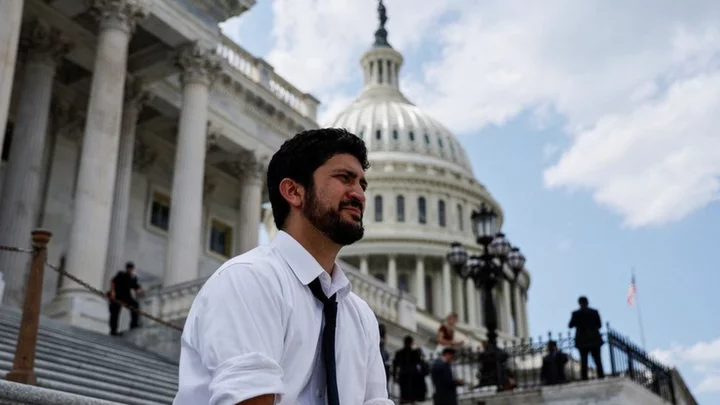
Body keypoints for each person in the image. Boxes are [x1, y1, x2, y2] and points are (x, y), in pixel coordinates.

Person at [173, 128, 391, 405]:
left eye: (362, 184)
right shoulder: (248, 281)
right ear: (293, 191)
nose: (359, 194)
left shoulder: (360, 316)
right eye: (345, 178)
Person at [568, 296, 605, 380]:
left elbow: (570, 325)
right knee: (597, 360)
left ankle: (584, 377)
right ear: (587, 302)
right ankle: (601, 375)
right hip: (594, 340)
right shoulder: (594, 312)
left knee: (584, 361)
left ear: (579, 303)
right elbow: (599, 325)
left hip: (582, 341)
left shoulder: (576, 313)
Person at [108, 261, 143, 336]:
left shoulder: (133, 278)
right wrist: (112, 292)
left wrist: (138, 290)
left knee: (135, 306)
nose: (129, 270)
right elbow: (113, 282)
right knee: (114, 313)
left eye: (131, 268)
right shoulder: (121, 274)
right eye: (128, 268)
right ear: (126, 268)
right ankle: (113, 330)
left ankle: (134, 324)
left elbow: (136, 286)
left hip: (126, 296)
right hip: (117, 295)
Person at [392, 336, 427, 404]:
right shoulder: (415, 353)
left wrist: (394, 377)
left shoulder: (399, 353)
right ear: (412, 343)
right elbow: (422, 362)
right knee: (412, 395)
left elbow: (395, 366)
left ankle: (404, 401)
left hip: (403, 375)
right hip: (413, 376)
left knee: (404, 394)